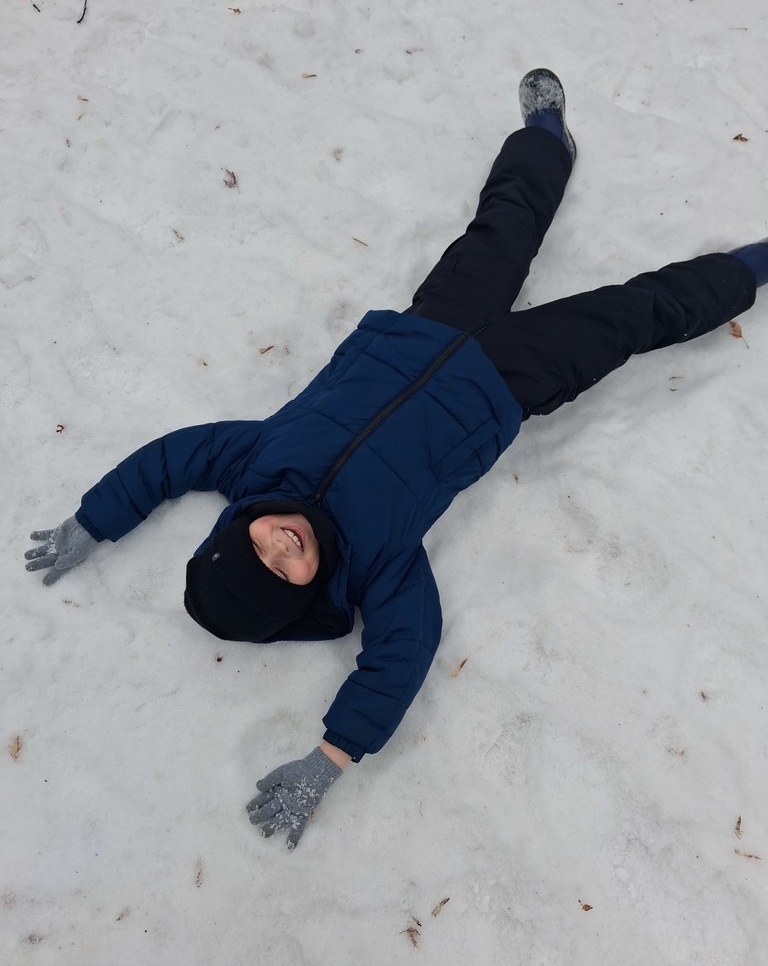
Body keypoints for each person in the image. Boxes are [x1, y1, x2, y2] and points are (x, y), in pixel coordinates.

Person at [24, 70, 768, 850]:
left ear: (236, 526)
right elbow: (401, 654)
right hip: (511, 381)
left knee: (501, 227)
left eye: (256, 546)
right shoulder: (378, 567)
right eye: (284, 574)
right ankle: (750, 267)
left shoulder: (254, 464)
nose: (280, 546)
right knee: (635, 311)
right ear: (307, 599)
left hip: (427, 325)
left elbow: (169, 460)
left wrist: (94, 520)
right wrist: (332, 755)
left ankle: (545, 141)